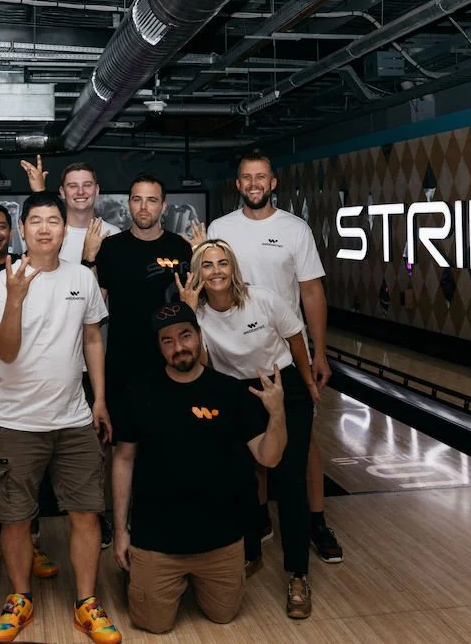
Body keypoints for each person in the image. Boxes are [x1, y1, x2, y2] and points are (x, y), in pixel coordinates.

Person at [0, 191, 121, 644]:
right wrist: (15, 299)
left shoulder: (82, 277)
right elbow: (3, 350)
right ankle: (20, 598)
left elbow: (93, 340)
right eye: (36, 221)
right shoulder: (4, 279)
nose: (45, 228)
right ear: (22, 230)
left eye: (54, 221)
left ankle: (86, 603)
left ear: (66, 230)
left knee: (86, 514)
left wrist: (98, 399)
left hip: (74, 419)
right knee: (16, 519)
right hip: (18, 422)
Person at [198, 151, 342, 563]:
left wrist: (318, 353)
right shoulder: (221, 227)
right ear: (238, 184)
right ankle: (258, 519)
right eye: (247, 177)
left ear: (273, 182)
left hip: (282, 351)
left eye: (261, 177)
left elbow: (312, 292)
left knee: (302, 445)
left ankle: (316, 520)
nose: (254, 183)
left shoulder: (294, 229)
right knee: (250, 449)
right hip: (234, 359)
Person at [111, 303, 288, 633]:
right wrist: (121, 531)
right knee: (154, 625)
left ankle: (184, 581)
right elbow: (123, 461)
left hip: (220, 542)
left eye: (185, 335)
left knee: (224, 615)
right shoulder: (138, 393)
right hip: (157, 541)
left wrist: (277, 414)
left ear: (199, 336)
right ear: (158, 346)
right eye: (167, 341)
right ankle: (147, 577)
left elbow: (269, 458)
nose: (178, 347)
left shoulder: (230, 391)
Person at [178, 239, 319, 618]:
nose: (217, 271)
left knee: (289, 480)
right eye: (207, 265)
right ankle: (250, 552)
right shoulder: (199, 315)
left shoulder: (264, 299)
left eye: (223, 263)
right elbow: (202, 366)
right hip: (236, 394)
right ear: (197, 274)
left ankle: (297, 575)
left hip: (281, 386)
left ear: (233, 267)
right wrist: (190, 316)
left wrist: (306, 385)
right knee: (239, 478)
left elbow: (295, 339)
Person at [21, 155, 118, 548]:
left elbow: (97, 302)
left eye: (87, 185)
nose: (80, 191)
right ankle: (35, 526)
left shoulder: (111, 233)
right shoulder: (43, 232)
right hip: (44, 362)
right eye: (72, 186)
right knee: (37, 449)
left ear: (97, 191)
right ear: (62, 193)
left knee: (92, 448)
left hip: (89, 359)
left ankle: (98, 515)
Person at [0, 200, 59, 584]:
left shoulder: (26, 268)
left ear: (13, 230)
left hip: (20, 390)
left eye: (0, 226)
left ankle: (31, 542)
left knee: (25, 473)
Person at [93, 172, 193, 413]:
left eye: (152, 200)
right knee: (122, 443)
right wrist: (89, 259)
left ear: (163, 206)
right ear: (129, 203)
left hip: (171, 358)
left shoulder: (180, 247)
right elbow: (94, 308)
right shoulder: (110, 248)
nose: (144, 207)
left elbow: (196, 303)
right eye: (137, 199)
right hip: (123, 362)